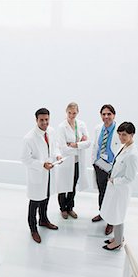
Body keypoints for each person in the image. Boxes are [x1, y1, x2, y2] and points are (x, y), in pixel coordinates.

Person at [21, 108, 62, 243]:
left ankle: (43, 220)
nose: (45, 122)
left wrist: (57, 154)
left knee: (46, 197)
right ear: (36, 120)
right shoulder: (29, 138)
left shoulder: (51, 131)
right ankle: (33, 228)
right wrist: (41, 164)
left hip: (49, 172)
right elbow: (25, 159)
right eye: (42, 120)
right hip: (38, 174)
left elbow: (54, 146)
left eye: (46, 119)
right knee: (35, 202)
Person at [100, 122, 138, 250]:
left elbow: (130, 177)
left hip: (120, 189)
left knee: (118, 215)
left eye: (125, 135)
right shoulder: (124, 147)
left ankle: (117, 242)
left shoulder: (132, 154)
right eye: (120, 134)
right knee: (114, 213)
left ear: (132, 135)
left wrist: (114, 181)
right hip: (114, 186)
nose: (121, 137)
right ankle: (117, 237)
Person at [55, 102, 91, 219]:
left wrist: (75, 144)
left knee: (73, 185)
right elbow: (63, 147)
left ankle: (70, 207)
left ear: (77, 112)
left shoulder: (81, 124)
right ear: (66, 112)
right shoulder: (62, 127)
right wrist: (79, 145)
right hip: (65, 161)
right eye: (69, 113)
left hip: (77, 162)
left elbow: (88, 143)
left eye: (74, 113)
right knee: (63, 186)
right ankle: (63, 209)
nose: (71, 115)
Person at [91, 104, 121, 235]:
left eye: (109, 114)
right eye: (104, 114)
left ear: (114, 115)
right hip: (99, 165)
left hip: (112, 167)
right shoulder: (98, 128)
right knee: (102, 191)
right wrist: (94, 162)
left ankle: (111, 222)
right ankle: (102, 213)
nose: (106, 116)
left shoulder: (119, 130)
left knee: (112, 194)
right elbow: (95, 145)